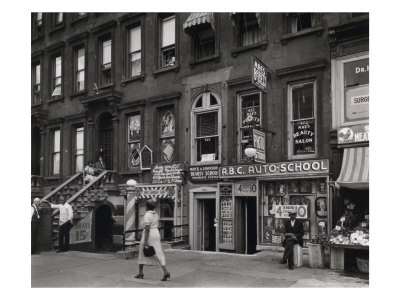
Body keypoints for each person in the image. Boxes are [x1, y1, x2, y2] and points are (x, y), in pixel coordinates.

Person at [135, 199, 171, 281]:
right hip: (156, 233)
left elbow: (147, 229)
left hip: (149, 234)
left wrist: (145, 241)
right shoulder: (156, 214)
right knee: (158, 252)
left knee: (142, 251)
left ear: (147, 207)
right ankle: (165, 270)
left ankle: (140, 272)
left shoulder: (147, 215)